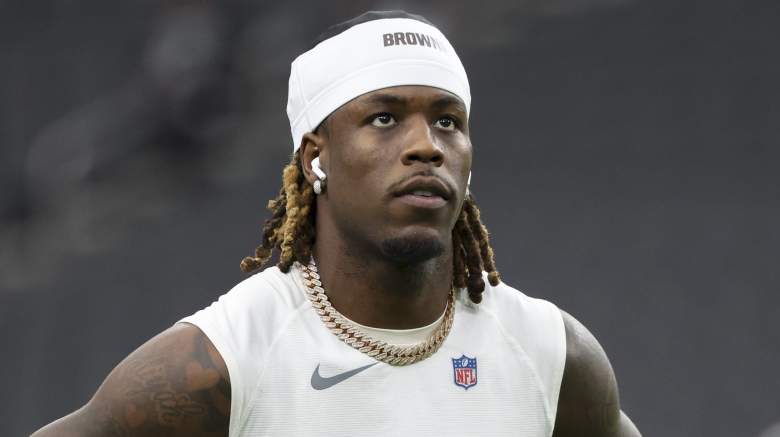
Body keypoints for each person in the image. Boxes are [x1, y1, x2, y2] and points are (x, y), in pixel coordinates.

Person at [32, 10, 641, 437]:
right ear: (314, 156)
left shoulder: (552, 357)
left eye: (448, 121)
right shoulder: (222, 363)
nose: (426, 146)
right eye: (384, 119)